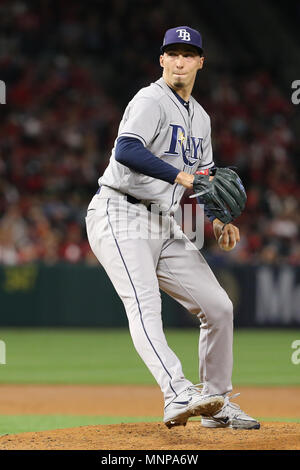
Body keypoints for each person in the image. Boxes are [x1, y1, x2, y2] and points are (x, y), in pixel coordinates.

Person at [86, 26, 260, 430]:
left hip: (164, 221)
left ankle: (216, 402)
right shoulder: (150, 99)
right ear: (161, 60)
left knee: (218, 307)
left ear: (200, 61)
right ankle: (177, 392)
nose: (180, 60)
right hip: (120, 212)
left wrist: (217, 219)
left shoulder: (201, 117)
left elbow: (206, 177)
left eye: (188, 54)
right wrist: (182, 177)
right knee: (145, 306)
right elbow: (126, 150)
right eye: (172, 53)